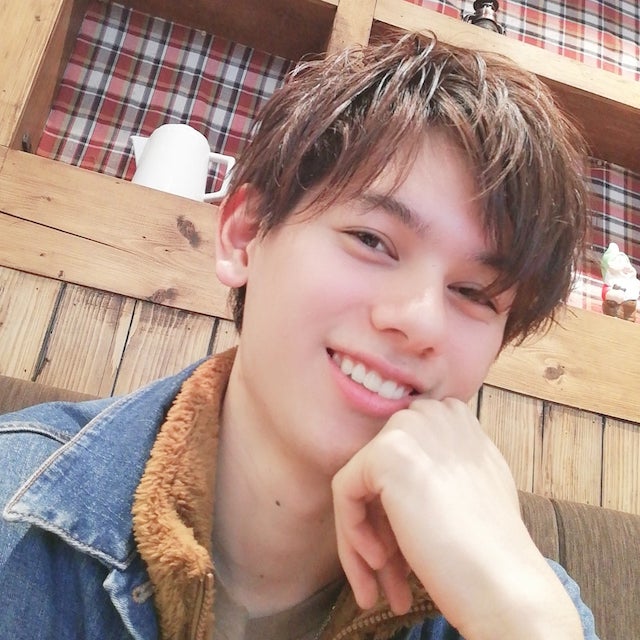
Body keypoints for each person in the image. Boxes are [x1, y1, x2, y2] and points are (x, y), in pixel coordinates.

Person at [0, 30, 598, 640]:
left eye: (474, 293)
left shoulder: (526, 602)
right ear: (244, 236)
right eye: (372, 240)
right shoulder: (13, 502)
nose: (421, 322)